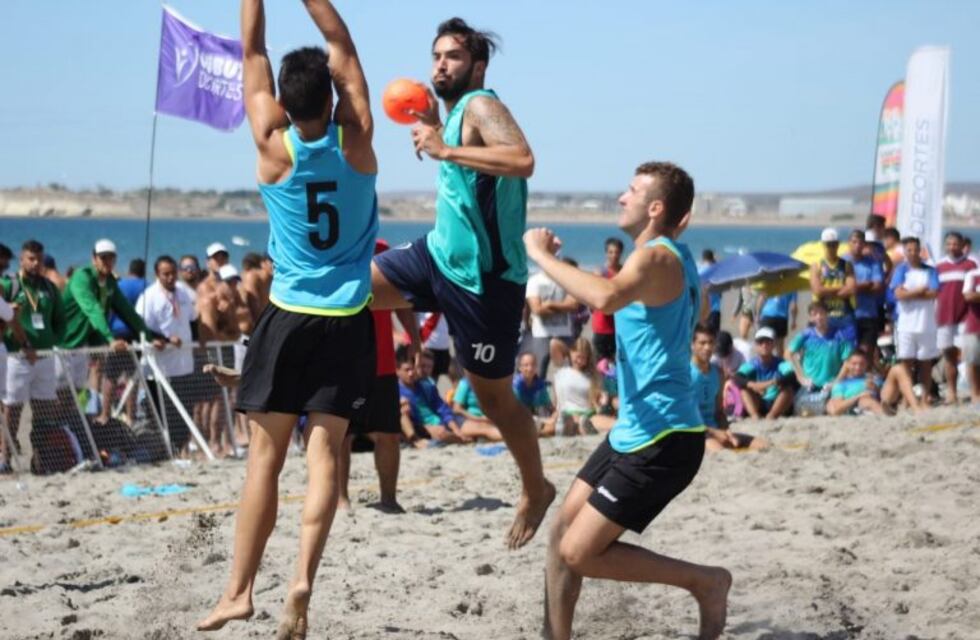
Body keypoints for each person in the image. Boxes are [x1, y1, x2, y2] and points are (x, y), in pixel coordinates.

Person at [199, 1, 378, 635]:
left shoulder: (271, 147)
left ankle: (240, 591)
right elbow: (342, 41)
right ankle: (303, 577)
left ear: (284, 105)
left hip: (288, 316)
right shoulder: (357, 142)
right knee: (325, 455)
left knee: (264, 461)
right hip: (348, 316)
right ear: (332, 100)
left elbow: (251, 53)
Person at [525, 161, 729, 640]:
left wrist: (540, 256)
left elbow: (607, 298)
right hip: (634, 430)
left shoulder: (657, 258)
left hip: (666, 437)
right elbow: (692, 307)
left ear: (655, 208)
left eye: (631, 191)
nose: (621, 197)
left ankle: (706, 582)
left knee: (580, 551)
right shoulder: (669, 256)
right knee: (560, 537)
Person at [370, 17, 554, 549]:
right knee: (350, 295)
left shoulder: (481, 105)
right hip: (437, 257)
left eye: (450, 57)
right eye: (435, 57)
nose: (439, 66)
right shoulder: (452, 116)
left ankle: (535, 489)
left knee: (494, 400)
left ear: (477, 66)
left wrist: (446, 149)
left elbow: (523, 160)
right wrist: (437, 129)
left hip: (486, 281)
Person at [338, 240, 414, 514]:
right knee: (340, 436)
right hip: (342, 361)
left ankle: (389, 498)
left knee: (389, 434)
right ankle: (341, 499)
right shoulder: (336, 244)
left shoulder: (382, 249)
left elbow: (402, 299)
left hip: (382, 361)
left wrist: (414, 339)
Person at [60, 239, 160, 424]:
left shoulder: (110, 282)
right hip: (62, 345)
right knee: (57, 394)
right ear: (94, 258)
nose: (107, 262)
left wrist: (150, 336)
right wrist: (110, 338)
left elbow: (127, 312)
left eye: (111, 258)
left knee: (74, 394)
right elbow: (92, 308)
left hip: (82, 347)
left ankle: (67, 435)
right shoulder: (82, 277)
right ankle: (47, 438)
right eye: (103, 257)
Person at [1, 240, 66, 467]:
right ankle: (5, 458)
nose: (35, 263)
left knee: (45, 410)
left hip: (45, 358)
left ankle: (40, 458)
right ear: (21, 259)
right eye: (31, 258)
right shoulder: (10, 285)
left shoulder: (49, 288)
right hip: (17, 358)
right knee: (13, 409)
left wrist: (50, 342)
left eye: (39, 258)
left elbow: (60, 321)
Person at [136, 256, 197, 453]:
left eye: (173, 273)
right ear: (157, 275)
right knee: (162, 413)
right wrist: (164, 338)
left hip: (184, 365)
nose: (171, 278)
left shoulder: (185, 293)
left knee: (185, 411)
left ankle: (180, 448)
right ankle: (164, 450)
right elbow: (140, 327)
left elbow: (193, 320)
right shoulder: (149, 297)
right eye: (166, 274)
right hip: (159, 368)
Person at [690, 324, 767, 452]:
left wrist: (726, 432)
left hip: (716, 429)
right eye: (702, 343)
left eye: (710, 343)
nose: (707, 347)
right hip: (696, 433)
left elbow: (719, 412)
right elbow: (684, 419)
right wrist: (715, 432)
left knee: (762, 444)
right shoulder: (685, 374)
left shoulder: (718, 373)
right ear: (692, 345)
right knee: (721, 451)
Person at [890, 236, 940, 400]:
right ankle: (908, 398)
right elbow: (898, 294)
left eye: (915, 249)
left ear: (920, 251)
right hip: (906, 325)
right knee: (906, 363)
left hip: (926, 324)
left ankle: (925, 396)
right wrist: (919, 291)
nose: (912, 253)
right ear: (904, 251)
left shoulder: (930, 270)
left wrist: (909, 293)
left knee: (926, 362)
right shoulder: (901, 270)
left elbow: (933, 293)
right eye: (909, 250)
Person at [935, 232, 977, 404]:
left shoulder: (971, 264)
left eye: (955, 244)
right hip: (943, 317)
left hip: (965, 317)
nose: (952, 247)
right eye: (949, 244)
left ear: (962, 245)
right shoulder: (938, 266)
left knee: (968, 356)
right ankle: (951, 392)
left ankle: (974, 393)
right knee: (949, 355)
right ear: (945, 245)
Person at [826, 350, 922, 416]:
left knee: (898, 368)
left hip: (883, 398)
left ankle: (915, 407)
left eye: (861, 364)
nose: (858, 367)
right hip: (860, 404)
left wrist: (876, 388)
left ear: (866, 364)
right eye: (854, 364)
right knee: (866, 400)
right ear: (847, 364)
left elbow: (886, 388)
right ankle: (886, 416)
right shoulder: (841, 384)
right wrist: (859, 395)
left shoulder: (871, 377)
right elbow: (836, 409)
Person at [525, 263, 577, 379]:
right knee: (538, 372)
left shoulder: (567, 280)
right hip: (541, 334)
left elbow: (573, 306)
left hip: (565, 333)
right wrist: (563, 307)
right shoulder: (534, 280)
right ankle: (539, 396)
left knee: (571, 371)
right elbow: (537, 309)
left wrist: (549, 304)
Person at [787, 302, 853, 392]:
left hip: (831, 386)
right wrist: (800, 377)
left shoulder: (840, 336)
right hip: (809, 385)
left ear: (827, 315)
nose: (819, 317)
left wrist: (836, 382)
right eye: (814, 314)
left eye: (821, 313)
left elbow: (848, 361)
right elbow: (787, 354)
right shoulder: (805, 335)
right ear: (810, 318)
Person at [734, 327, 797, 420]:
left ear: (773, 344)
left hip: (776, 401)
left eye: (768, 342)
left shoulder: (780, 363)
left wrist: (771, 383)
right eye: (761, 342)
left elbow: (791, 376)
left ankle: (772, 415)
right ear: (756, 345)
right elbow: (738, 378)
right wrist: (754, 385)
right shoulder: (752, 364)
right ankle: (754, 415)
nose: (764, 345)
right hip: (759, 400)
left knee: (788, 390)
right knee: (744, 390)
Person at [810, 227, 856, 344]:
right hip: (824, 316)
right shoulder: (817, 266)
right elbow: (817, 290)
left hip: (845, 314)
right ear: (823, 245)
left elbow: (851, 289)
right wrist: (841, 288)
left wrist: (826, 291)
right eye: (828, 245)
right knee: (826, 348)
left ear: (838, 244)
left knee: (848, 348)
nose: (831, 248)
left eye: (834, 244)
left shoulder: (846, 265)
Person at [845, 229, 885, 352]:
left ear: (864, 245)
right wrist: (866, 285)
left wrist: (853, 288)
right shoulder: (842, 262)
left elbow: (877, 287)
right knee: (849, 352)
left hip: (868, 314)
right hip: (847, 315)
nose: (857, 245)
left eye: (860, 243)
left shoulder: (873, 263)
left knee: (867, 351)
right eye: (854, 242)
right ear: (849, 243)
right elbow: (841, 289)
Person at [591, 238, 624, 360]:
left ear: (620, 253)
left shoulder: (625, 272)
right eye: (611, 252)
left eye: (616, 252)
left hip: (621, 324)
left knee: (619, 362)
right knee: (601, 363)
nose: (614, 255)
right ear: (606, 253)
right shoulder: (600, 272)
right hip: (602, 325)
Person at [512, 352, 553, 421]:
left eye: (533, 365)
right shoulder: (515, 386)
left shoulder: (540, 385)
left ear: (536, 367)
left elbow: (547, 406)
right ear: (520, 368)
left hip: (534, 417)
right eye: (526, 365)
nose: (530, 368)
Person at [962, 264, 980, 403]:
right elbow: (968, 296)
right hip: (975, 324)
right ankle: (975, 393)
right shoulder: (973, 275)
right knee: (972, 360)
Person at [698, 249, 722, 335]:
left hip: (701, 309)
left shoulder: (699, 270)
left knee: (701, 334)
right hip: (715, 308)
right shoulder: (717, 270)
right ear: (712, 258)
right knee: (714, 336)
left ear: (703, 258)